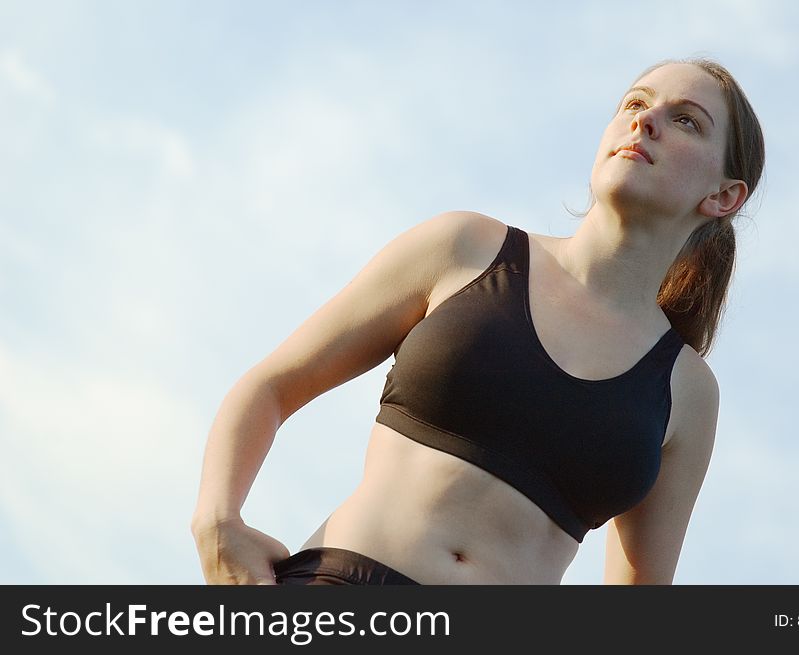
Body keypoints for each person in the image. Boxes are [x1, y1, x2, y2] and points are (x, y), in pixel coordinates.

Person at [191, 57, 764, 585]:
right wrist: (217, 523)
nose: (646, 122)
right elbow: (270, 387)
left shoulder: (686, 390)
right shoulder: (464, 249)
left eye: (686, 120)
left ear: (724, 196)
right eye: (635, 104)